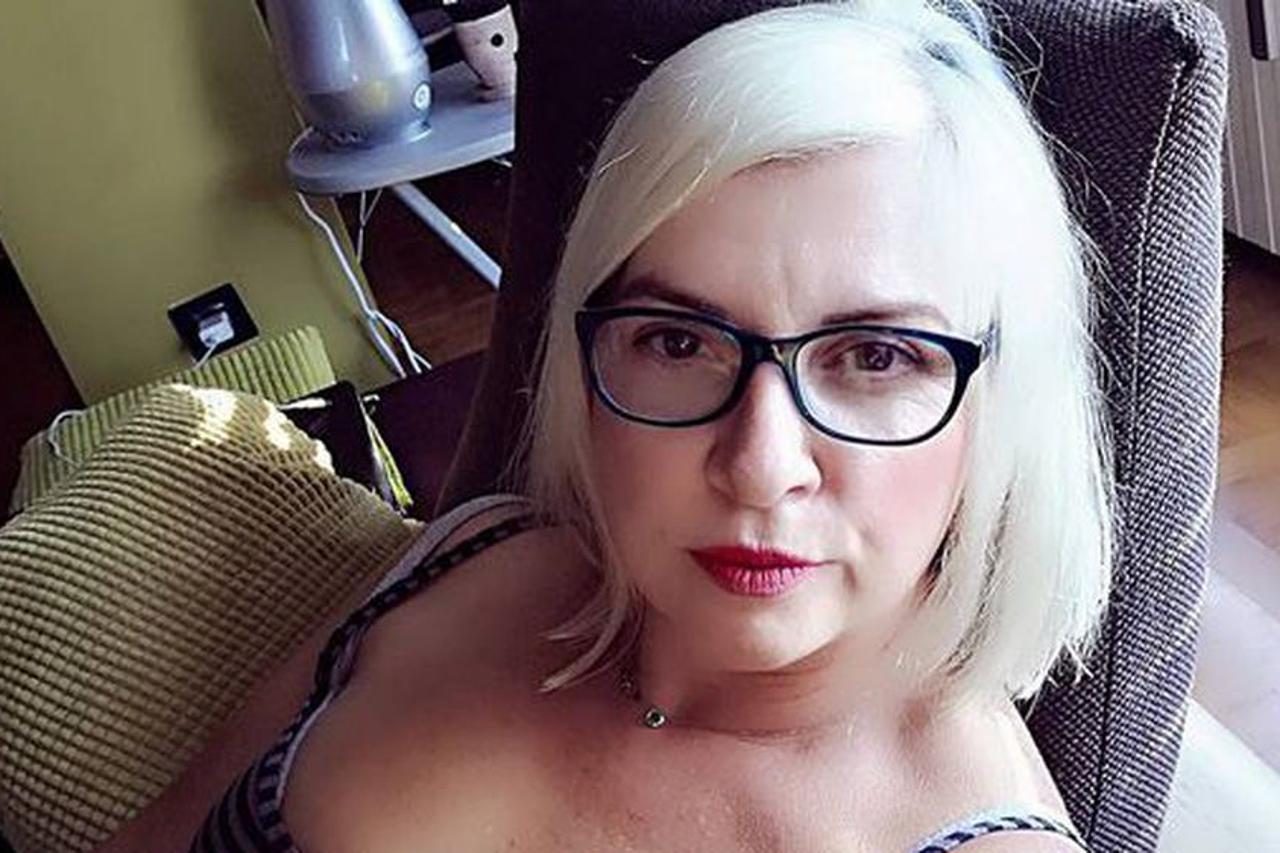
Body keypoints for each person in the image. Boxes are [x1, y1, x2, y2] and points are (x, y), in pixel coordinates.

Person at [105, 1, 1115, 850]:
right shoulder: (468, 551)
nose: (760, 466)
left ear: (999, 404)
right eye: (677, 341)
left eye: (876, 357)